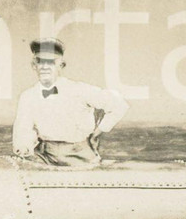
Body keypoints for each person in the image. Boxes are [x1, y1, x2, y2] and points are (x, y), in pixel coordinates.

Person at [12, 37, 128, 166]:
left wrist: (98, 132)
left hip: (79, 156)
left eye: (51, 62)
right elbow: (23, 129)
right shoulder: (28, 96)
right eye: (40, 61)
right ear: (34, 65)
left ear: (61, 65)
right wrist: (24, 148)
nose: (44, 67)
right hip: (44, 156)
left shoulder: (79, 90)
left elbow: (119, 104)